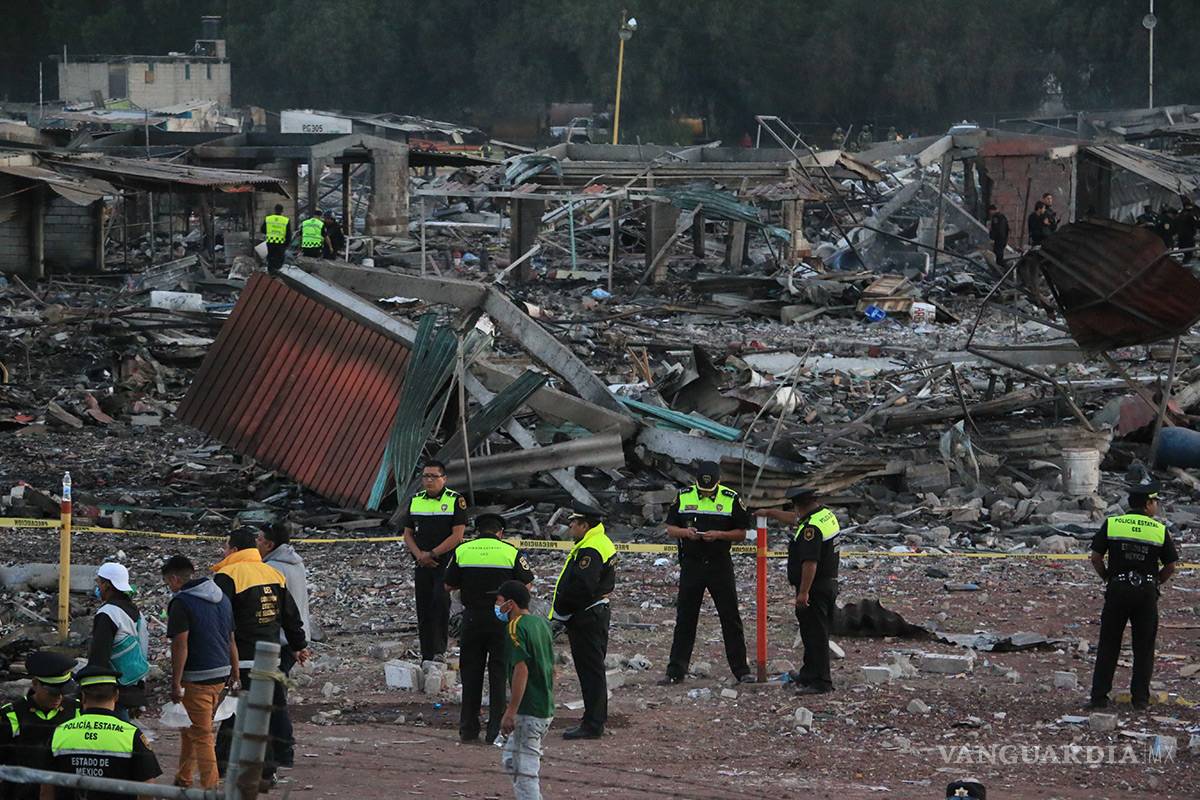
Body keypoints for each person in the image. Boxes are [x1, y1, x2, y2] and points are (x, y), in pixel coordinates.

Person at [213, 528, 308, 788]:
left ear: (233, 549)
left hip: (240, 659)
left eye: (225, 547)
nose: (223, 552)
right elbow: (290, 615)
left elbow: (221, 621)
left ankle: (221, 766)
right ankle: (271, 768)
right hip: (271, 658)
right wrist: (299, 645)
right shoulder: (273, 573)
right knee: (271, 712)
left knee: (233, 712)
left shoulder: (227, 576)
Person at [1088, 477, 1178, 710]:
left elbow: (1096, 557)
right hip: (1146, 592)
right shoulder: (1159, 530)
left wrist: (1107, 576)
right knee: (1144, 647)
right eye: (1155, 501)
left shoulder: (1113, 523)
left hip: (1117, 589)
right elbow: (1170, 565)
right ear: (1148, 504)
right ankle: (1140, 700)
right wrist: (1156, 582)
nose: (1156, 505)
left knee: (1108, 644)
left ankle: (1099, 698)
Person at [444, 513, 534, 744]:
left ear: (478, 531)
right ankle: (495, 730)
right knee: (499, 673)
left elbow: (448, 583)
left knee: (471, 674)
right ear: (500, 532)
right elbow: (527, 584)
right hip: (501, 618)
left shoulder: (463, 551)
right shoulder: (510, 552)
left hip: (472, 618)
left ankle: (468, 729)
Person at [660, 461, 753, 685]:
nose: (705, 494)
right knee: (685, 618)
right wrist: (686, 532)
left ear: (719, 482)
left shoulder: (731, 498)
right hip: (692, 564)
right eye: (702, 490)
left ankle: (741, 670)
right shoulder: (683, 496)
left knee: (730, 617)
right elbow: (670, 528)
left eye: (709, 491)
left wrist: (720, 535)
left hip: (719, 563)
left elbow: (741, 533)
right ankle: (676, 671)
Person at [161, 555, 237, 791]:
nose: (169, 587)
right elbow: (230, 639)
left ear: (174, 578)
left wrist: (175, 682)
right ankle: (184, 778)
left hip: (197, 678)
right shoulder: (221, 598)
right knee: (192, 728)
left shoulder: (181, 603)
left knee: (202, 735)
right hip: (221, 674)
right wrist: (235, 673)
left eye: (167, 582)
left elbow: (180, 644)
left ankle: (211, 788)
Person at [757, 488, 841, 695]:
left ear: (800, 505)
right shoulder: (824, 515)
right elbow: (795, 519)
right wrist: (770, 513)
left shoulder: (811, 528)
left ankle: (821, 682)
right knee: (811, 633)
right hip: (827, 584)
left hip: (815, 587)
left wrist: (803, 593)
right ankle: (809, 674)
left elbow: (810, 563)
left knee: (816, 635)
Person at [40, 664, 161, 800]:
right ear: (116, 696)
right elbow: (148, 788)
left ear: (83, 696)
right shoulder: (131, 734)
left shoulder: (60, 732)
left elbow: (46, 789)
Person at [550, 503, 616, 740]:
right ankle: (594, 720)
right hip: (593, 613)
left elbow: (582, 587)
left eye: (573, 523)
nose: (570, 528)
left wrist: (562, 613)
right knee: (593, 670)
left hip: (586, 616)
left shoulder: (591, 549)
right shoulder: (598, 542)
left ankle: (593, 724)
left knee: (590, 671)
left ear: (584, 525)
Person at [401, 460, 468, 662]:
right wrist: (420, 555)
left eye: (434, 476)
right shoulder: (416, 501)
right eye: (426, 476)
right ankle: (426, 653)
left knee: (440, 603)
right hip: (421, 562)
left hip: (444, 561)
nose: (429, 480)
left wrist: (432, 554)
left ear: (444, 479)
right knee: (424, 606)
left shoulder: (455, 500)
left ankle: (439, 651)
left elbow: (457, 535)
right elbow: (407, 534)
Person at [256, 524, 309, 769]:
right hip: (292, 641)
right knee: (277, 696)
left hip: (277, 642)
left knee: (274, 700)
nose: (255, 543)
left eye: (259, 539)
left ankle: (282, 752)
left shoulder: (271, 569)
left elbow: (280, 612)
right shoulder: (296, 564)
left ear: (270, 544)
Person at [496, 580, 554, 800]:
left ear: (510, 604)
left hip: (529, 709)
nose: (497, 607)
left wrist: (511, 712)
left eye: (499, 602)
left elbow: (521, 669)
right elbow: (552, 667)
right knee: (512, 759)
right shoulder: (541, 624)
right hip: (544, 705)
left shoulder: (515, 627)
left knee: (524, 771)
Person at [0, 651, 78, 800]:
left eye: (63, 692)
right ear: (35, 684)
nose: (59, 697)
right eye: (53, 692)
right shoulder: (12, 714)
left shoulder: (76, 711)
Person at [88, 563, 149, 718]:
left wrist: (91, 690)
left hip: (111, 690)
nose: (98, 587)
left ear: (107, 585)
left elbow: (99, 656)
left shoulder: (107, 613)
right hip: (132, 684)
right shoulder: (136, 612)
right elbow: (143, 649)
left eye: (99, 583)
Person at [260, 204, 292, 273]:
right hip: (280, 244)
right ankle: (277, 275)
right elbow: (288, 234)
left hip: (270, 242)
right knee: (279, 260)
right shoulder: (285, 220)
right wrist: (287, 244)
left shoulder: (268, 218)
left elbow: (262, 230)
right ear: (282, 211)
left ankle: (270, 274)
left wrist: (270, 233)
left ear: (275, 210)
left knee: (271, 258)